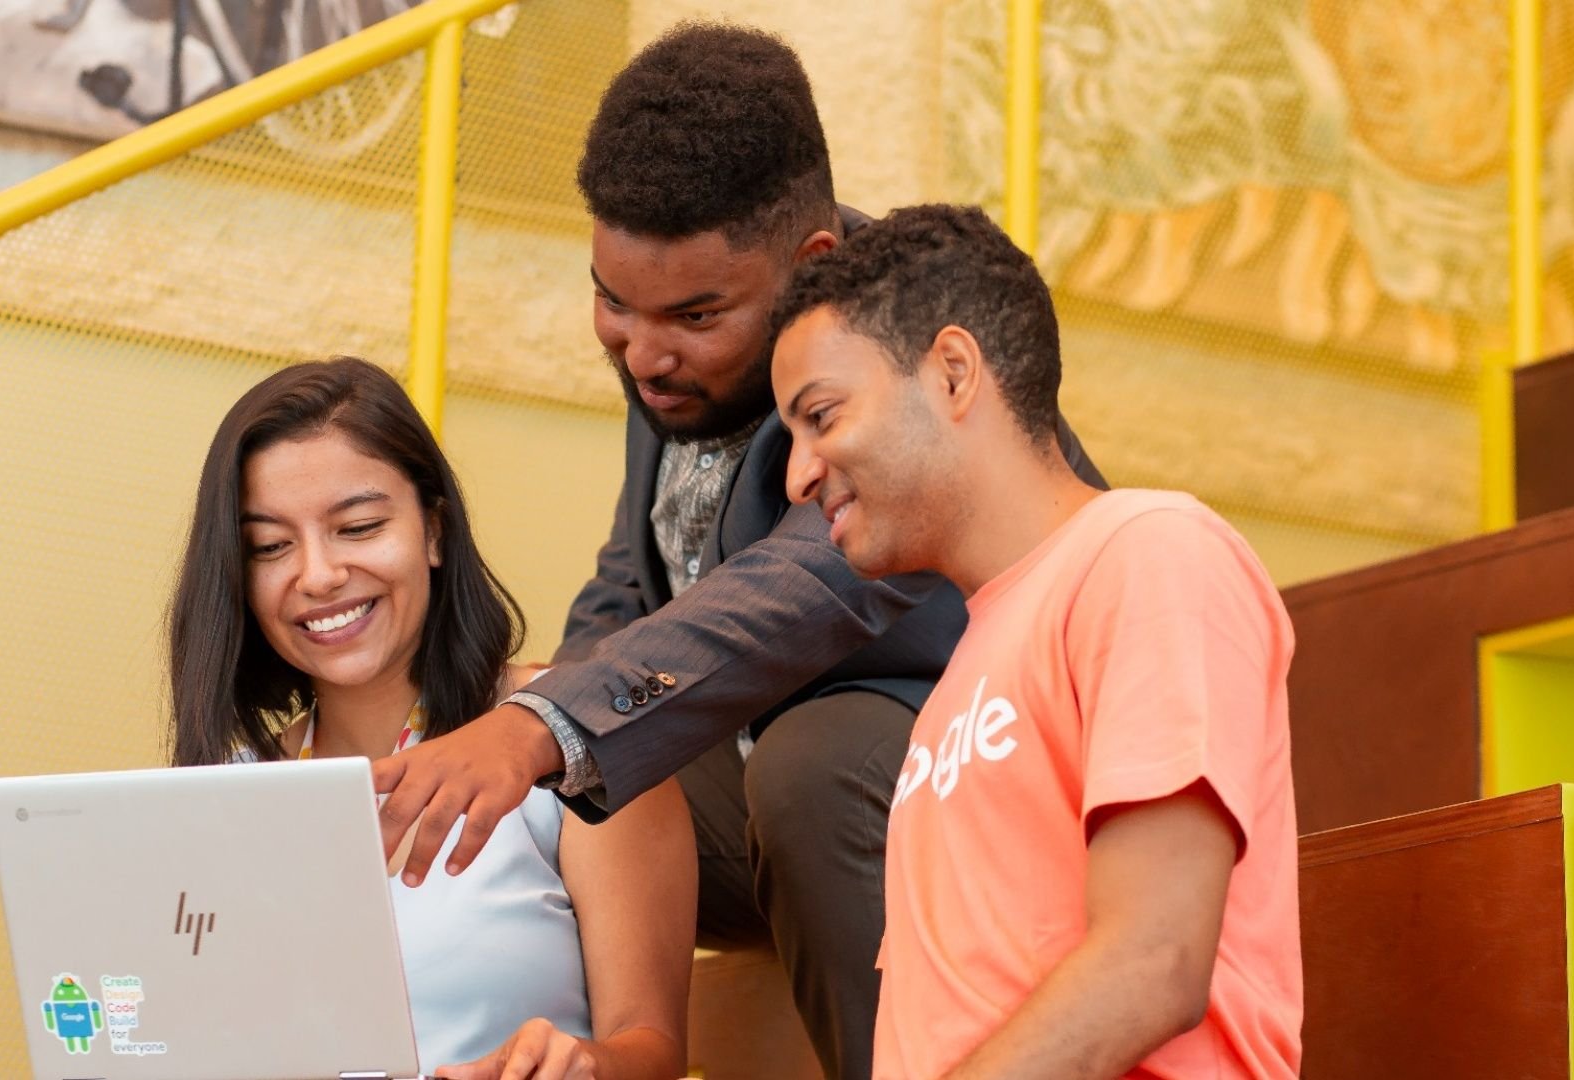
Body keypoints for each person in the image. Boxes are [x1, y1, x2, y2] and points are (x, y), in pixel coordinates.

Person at [370, 24, 1107, 1079]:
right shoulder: (675, 360)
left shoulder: (906, 334)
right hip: (782, 777)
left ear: (812, 266)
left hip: (967, 753)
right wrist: (529, 712)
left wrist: (538, 726)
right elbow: (633, 579)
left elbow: (810, 581)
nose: (643, 353)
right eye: (612, 302)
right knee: (553, 801)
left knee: (804, 767)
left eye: (693, 314)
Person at [768, 204, 1301, 1078]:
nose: (798, 475)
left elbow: (1154, 961)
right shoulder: (961, 677)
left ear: (952, 373)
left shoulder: (1151, 549)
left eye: (821, 417)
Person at [166, 357, 695, 1080]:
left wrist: (583, 1066)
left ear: (434, 532)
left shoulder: (572, 738)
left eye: (358, 526)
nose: (318, 575)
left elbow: (653, 1050)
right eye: (270, 546)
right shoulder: (224, 790)